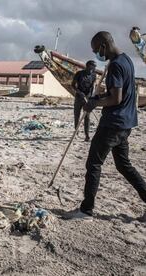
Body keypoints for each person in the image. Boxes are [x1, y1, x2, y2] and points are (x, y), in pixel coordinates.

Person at [66, 31, 146, 221]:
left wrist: (94, 103)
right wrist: (98, 97)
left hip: (113, 123)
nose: (96, 54)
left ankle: (86, 211)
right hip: (126, 123)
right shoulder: (126, 59)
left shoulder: (117, 65)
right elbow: (117, 93)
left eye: (96, 50)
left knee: (93, 163)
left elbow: (116, 98)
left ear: (103, 45)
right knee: (124, 165)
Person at [71, 60, 97, 141]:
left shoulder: (93, 75)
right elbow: (73, 85)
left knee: (87, 117)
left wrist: (91, 97)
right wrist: (79, 92)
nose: (94, 69)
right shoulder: (79, 74)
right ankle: (76, 132)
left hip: (88, 98)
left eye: (95, 67)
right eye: (93, 67)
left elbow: (93, 86)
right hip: (79, 97)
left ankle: (87, 135)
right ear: (88, 66)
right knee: (77, 115)